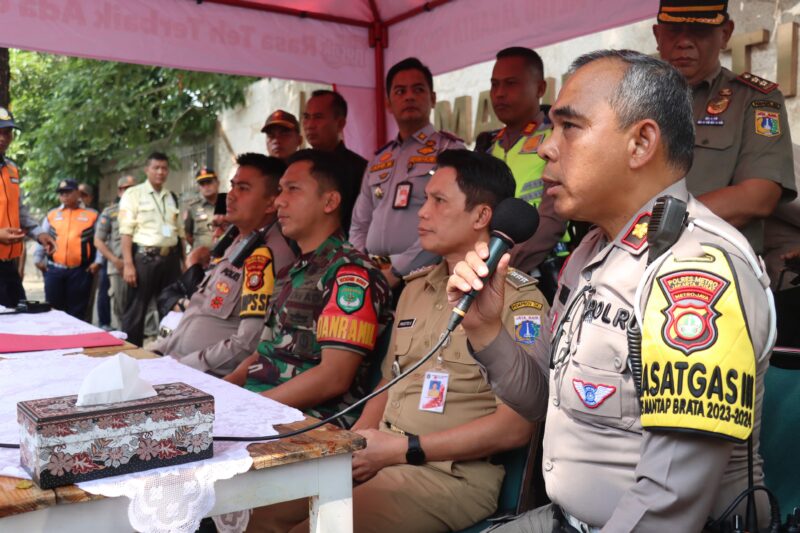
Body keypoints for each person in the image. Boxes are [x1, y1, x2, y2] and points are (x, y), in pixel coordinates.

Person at [447, 50, 774, 531]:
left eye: (569, 127)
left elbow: (668, 505)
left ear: (641, 143)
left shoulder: (696, 271)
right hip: (568, 518)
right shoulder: (593, 252)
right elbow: (542, 397)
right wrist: (486, 330)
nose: (546, 148)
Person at [246, 150, 544, 533]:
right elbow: (391, 382)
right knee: (259, 510)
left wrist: (403, 450)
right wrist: (356, 447)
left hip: (446, 477)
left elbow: (515, 428)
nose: (422, 211)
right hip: (383, 455)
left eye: (438, 201)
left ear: (482, 216)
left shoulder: (520, 300)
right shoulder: (416, 288)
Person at [224, 149, 391, 427]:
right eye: (279, 190)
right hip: (260, 409)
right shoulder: (292, 270)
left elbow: (334, 377)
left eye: (293, 190)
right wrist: (222, 390)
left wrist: (253, 410)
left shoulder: (350, 272)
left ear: (329, 201)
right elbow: (264, 350)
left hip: (308, 423)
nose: (279, 201)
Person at [652, 0, 795, 254]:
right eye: (674, 30)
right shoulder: (631, 102)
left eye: (699, 31)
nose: (684, 42)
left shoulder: (756, 100)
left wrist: (653, 223)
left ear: (725, 34)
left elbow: (759, 196)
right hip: (625, 267)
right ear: (657, 35)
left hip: (715, 268)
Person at [150, 154, 296, 377]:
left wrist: (182, 367)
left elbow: (248, 343)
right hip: (173, 361)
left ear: (270, 202)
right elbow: (199, 309)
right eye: (233, 186)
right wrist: (160, 351)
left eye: (244, 188)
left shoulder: (272, 254)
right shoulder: (237, 241)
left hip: (205, 377)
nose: (231, 196)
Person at [349, 57, 465, 289]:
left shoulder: (449, 150)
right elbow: (359, 224)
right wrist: (362, 266)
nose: (409, 96)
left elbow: (450, 222)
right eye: (400, 91)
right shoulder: (378, 159)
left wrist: (397, 269)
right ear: (388, 104)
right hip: (370, 275)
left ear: (432, 98)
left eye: (418, 89)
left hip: (425, 275)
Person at [477, 47, 567, 278]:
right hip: (485, 266)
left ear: (540, 88)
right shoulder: (486, 145)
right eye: (495, 84)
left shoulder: (556, 138)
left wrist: (497, 266)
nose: (499, 93)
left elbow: (552, 219)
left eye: (510, 83)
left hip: (539, 271)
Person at [119, 152, 184, 346]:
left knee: (172, 307)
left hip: (170, 259)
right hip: (145, 259)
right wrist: (128, 265)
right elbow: (126, 232)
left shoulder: (172, 196)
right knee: (136, 311)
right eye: (156, 168)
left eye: (164, 168)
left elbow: (179, 233)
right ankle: (131, 352)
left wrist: (184, 261)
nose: (160, 172)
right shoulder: (134, 194)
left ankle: (168, 350)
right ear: (147, 170)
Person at [0, 106, 55, 307]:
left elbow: (19, 210)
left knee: (18, 320)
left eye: (7, 132)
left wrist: (39, 233)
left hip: (7, 265)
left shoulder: (12, 169)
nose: (3, 137)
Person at [302, 89, 367, 231]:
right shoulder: (298, 165)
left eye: (318, 117)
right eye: (306, 117)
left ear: (340, 123)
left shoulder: (359, 169)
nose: (310, 125)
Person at [41, 179, 100, 318]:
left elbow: (100, 240)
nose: (64, 196)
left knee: (77, 311)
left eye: (68, 192)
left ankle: (76, 339)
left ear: (78, 193)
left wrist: (98, 262)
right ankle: (54, 338)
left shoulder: (92, 215)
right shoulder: (52, 214)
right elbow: (42, 236)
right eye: (61, 193)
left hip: (80, 271)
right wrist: (38, 259)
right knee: (53, 310)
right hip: (54, 270)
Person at [95, 175, 137, 329]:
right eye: (127, 189)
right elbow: (98, 240)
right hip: (118, 267)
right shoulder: (111, 212)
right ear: (120, 191)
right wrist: (115, 260)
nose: (131, 192)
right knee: (121, 307)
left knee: (145, 309)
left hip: (141, 264)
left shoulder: (144, 210)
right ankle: (125, 337)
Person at [184, 167, 219, 251]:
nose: (206, 186)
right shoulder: (193, 207)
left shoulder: (228, 204)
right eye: (202, 184)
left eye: (209, 182)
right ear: (199, 187)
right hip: (201, 258)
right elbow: (188, 234)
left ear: (217, 183)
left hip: (225, 255)